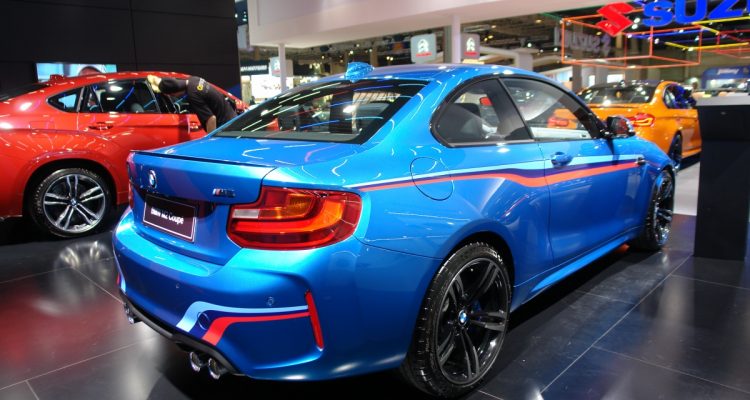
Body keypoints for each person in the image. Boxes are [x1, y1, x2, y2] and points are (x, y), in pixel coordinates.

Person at [147, 75, 237, 132]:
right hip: (232, 119)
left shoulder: (193, 94)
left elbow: (211, 119)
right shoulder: (194, 80)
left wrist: (209, 142)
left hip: (227, 128)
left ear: (174, 93)